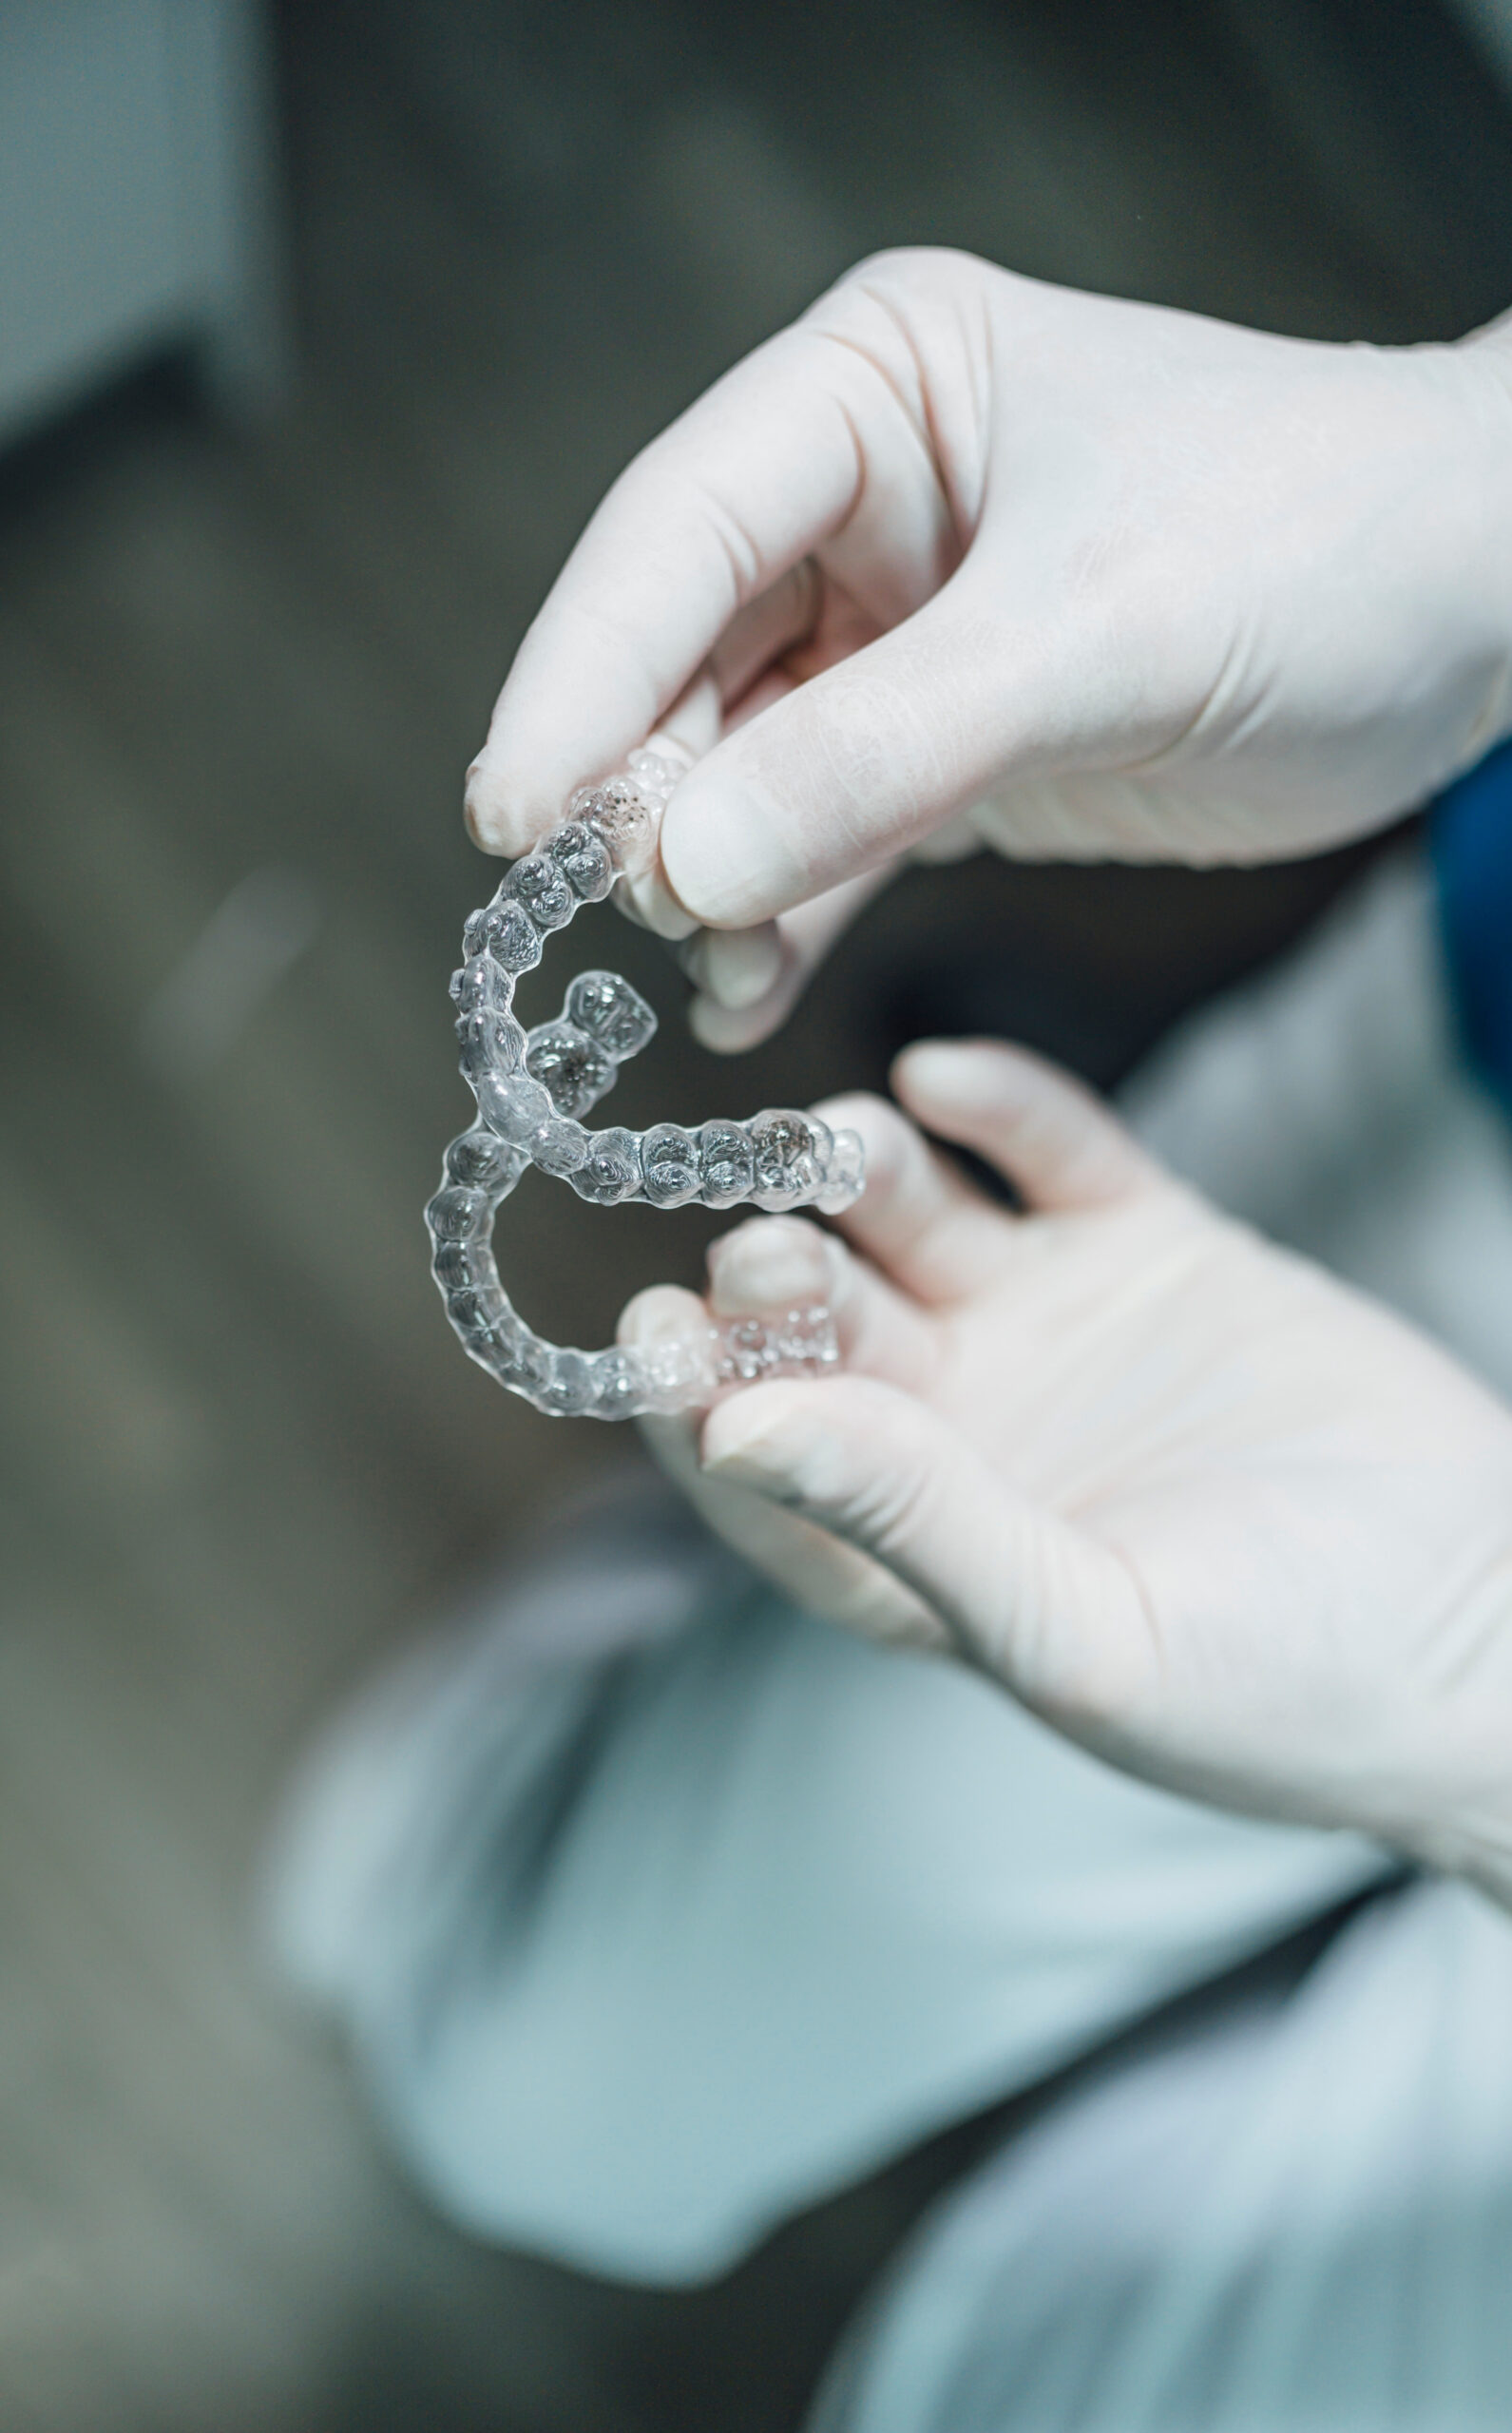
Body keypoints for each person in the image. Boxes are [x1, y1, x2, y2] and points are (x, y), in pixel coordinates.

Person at [268, 254, 1512, 2425]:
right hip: (1465, 1132)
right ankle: (638, 1693)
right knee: (539, 2071)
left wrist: (1475, 1703)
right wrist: (1469, 472)